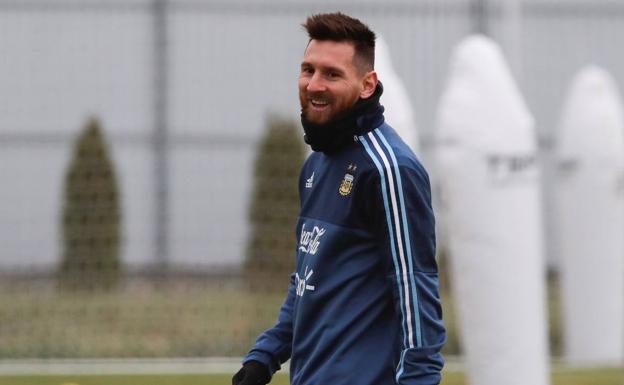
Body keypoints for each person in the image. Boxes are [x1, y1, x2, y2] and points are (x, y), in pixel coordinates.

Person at [233, 12, 445, 385]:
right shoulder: (317, 164)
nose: (314, 85)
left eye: (332, 74)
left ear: (367, 85)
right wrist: (265, 356)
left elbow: (416, 289)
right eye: (308, 70)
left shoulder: (388, 169)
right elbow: (308, 279)